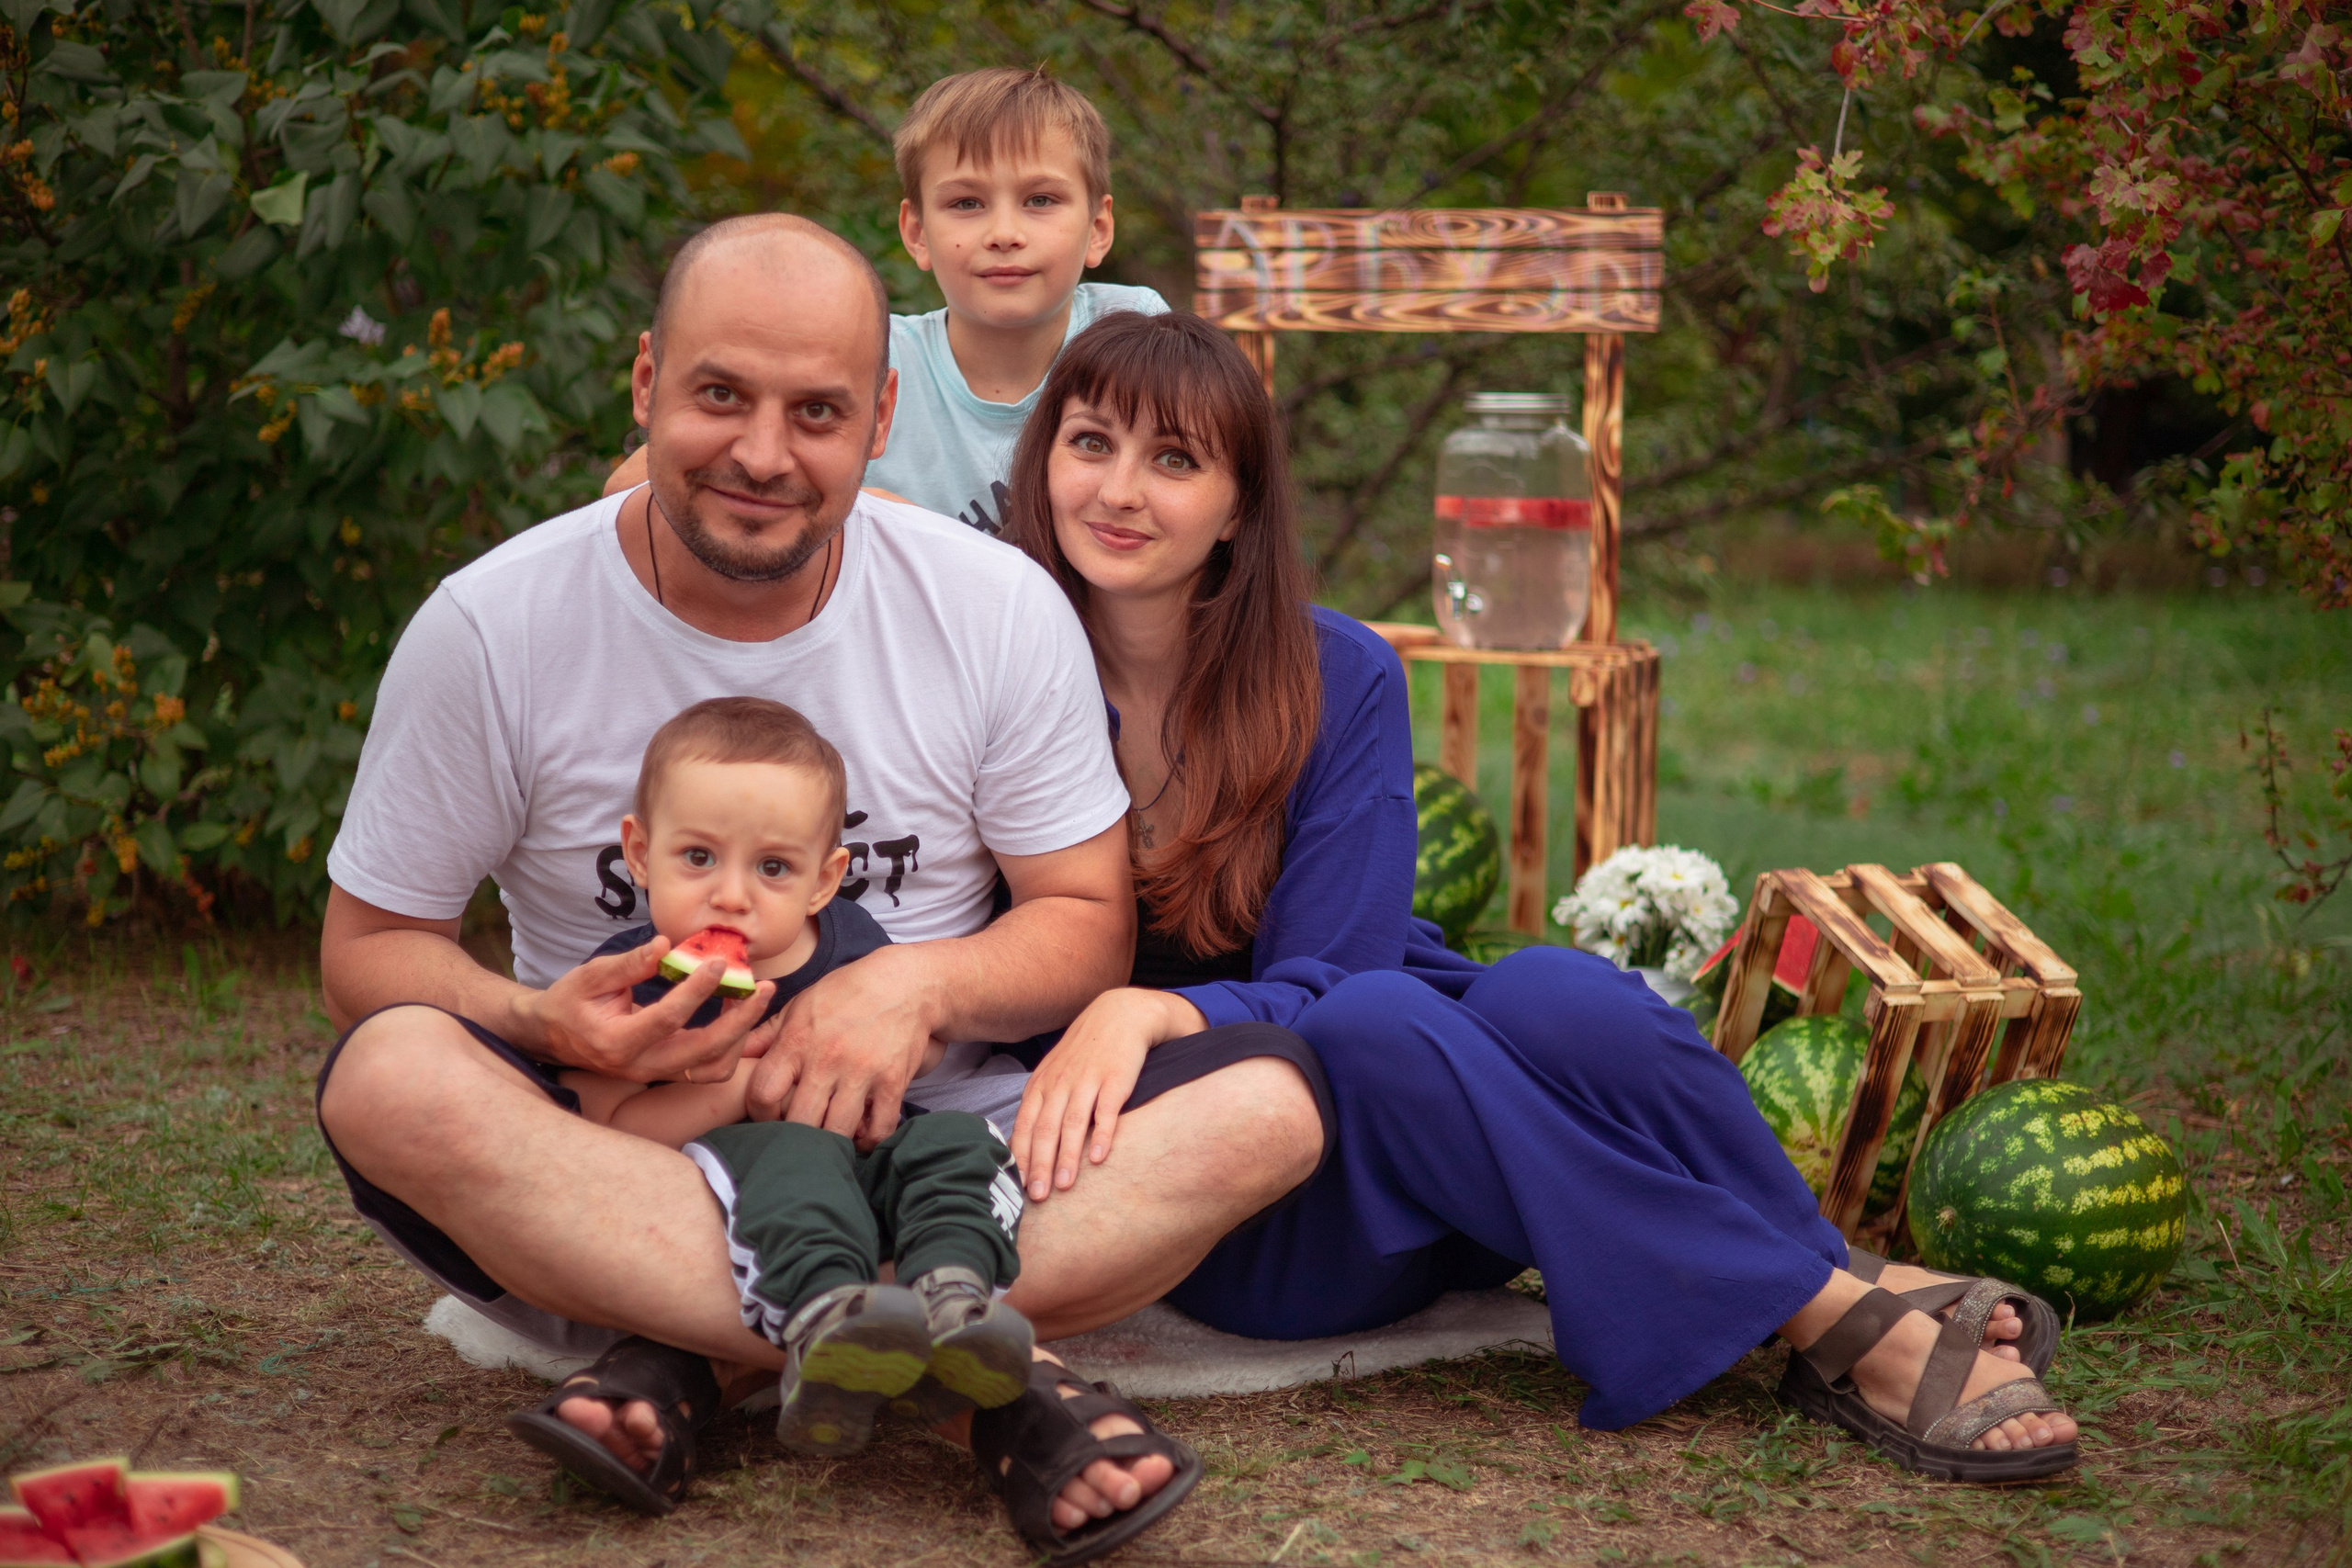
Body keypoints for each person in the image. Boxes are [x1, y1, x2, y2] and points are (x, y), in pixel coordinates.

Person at [313, 215, 1326, 1554]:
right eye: (719, 394)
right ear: (644, 383)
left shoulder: (993, 604)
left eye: (819, 411)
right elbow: (371, 944)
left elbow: (1088, 919)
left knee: (1273, 1107)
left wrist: (917, 983)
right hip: (647, 1141)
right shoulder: (494, 625)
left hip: (954, 1147)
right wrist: (549, 1023)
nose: (763, 454)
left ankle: (688, 1354)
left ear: (883, 415)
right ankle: (984, 1375)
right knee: (389, 1075)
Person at [997, 308, 2086, 1483]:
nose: (1120, 488)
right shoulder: (992, 669)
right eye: (1090, 442)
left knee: (1559, 990)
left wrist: (1162, 1003)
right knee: (1376, 1021)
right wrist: (1149, 1023)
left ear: (1241, 505)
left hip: (1435, 1144)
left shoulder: (1334, 672)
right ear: (1041, 457)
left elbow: (1338, 961)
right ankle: (1830, 1311)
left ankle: (1825, 1274)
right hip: (1257, 1208)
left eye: (1175, 459)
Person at [604, 64, 1167, 532]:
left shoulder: (1137, 330)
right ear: (917, 233)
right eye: (966, 204)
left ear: (1097, 228)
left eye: (1040, 200)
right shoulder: (876, 358)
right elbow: (625, 486)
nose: (1004, 232)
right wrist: (900, 523)